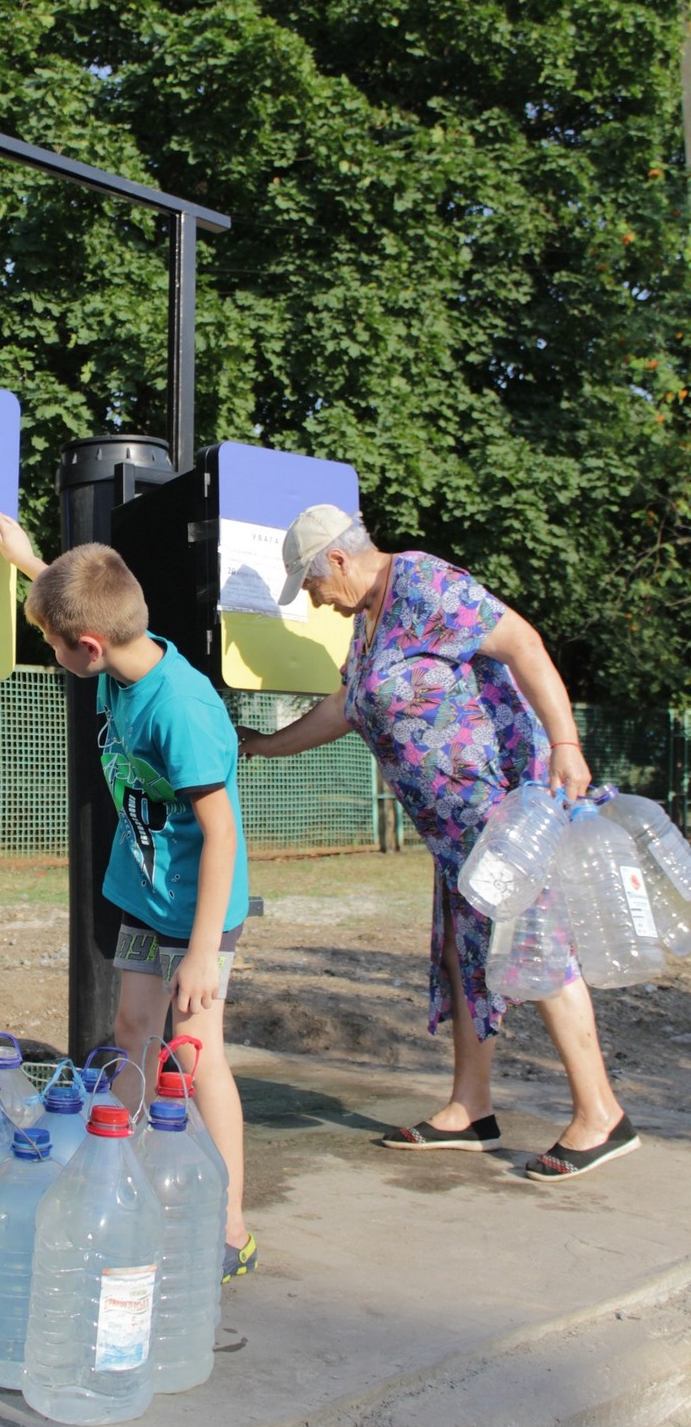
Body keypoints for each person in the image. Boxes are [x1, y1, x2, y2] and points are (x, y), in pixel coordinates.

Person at [237, 504, 637, 1182]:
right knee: (463, 956)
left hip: (500, 809)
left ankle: (602, 1114)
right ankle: (470, 1109)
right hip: (455, 832)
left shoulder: (423, 584)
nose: (313, 600)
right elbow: (346, 708)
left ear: (337, 559)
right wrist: (265, 747)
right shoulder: (367, 625)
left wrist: (566, 743)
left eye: (310, 584)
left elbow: (525, 646)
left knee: (536, 947)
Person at [0, 511, 257, 1278]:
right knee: (132, 1024)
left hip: (195, 910)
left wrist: (203, 952)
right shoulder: (120, 657)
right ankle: (122, 1164)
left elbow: (224, 836)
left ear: (89, 648)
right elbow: (77, 605)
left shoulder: (180, 709)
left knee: (198, 1053)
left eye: (50, 640)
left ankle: (231, 1220)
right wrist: (26, 562)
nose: (49, 647)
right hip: (143, 892)